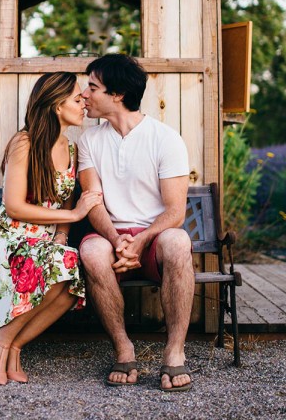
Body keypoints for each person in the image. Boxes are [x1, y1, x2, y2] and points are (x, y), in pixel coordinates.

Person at [0, 72, 102, 385]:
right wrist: (74, 216)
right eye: (76, 99)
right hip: (10, 239)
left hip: (43, 242)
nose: (83, 104)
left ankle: (13, 344)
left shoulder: (72, 150)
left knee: (70, 286)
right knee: (58, 266)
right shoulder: (25, 142)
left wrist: (61, 236)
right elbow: (15, 206)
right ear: (57, 106)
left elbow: (63, 202)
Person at [77, 54, 195, 392]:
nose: (86, 94)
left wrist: (142, 240)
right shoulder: (89, 141)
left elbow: (175, 211)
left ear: (117, 94)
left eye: (93, 87)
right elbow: (93, 200)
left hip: (154, 238)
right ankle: (123, 348)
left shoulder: (165, 138)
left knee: (178, 241)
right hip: (111, 237)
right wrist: (117, 240)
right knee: (93, 252)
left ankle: (174, 352)